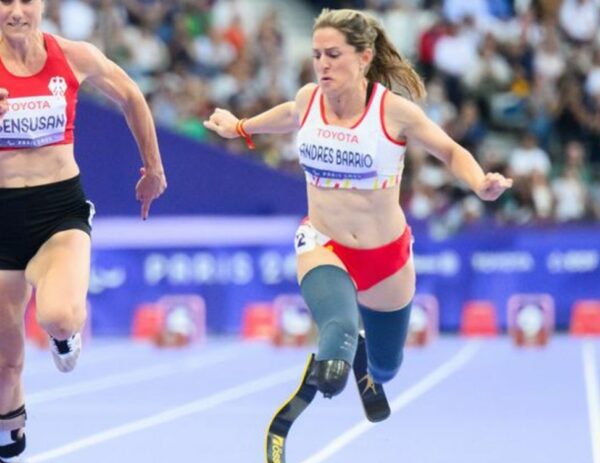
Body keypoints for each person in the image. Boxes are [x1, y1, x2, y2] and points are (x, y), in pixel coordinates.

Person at [204, 5, 511, 435]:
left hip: (385, 258)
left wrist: (480, 183)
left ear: (364, 57)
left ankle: (370, 358)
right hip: (323, 244)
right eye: (317, 55)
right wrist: (239, 126)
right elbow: (288, 115)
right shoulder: (309, 99)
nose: (323, 65)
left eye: (334, 55)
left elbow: (452, 152)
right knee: (338, 338)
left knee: (385, 368)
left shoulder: (394, 113)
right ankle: (342, 350)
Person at [0, 0, 167, 463]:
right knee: (5, 365)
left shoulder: (74, 56)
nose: (16, 10)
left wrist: (153, 169)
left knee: (60, 316)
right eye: (4, 1)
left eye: (26, 0)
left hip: (58, 213)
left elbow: (131, 95)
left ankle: (67, 335)